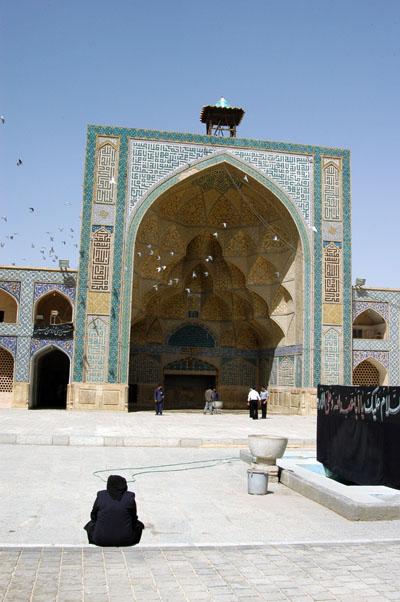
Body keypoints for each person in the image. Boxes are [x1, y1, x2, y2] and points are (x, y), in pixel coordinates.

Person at [84, 475, 144, 547]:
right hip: (126, 540)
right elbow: (133, 517)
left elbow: (93, 516)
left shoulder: (101, 495)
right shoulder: (129, 497)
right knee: (139, 525)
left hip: (100, 540)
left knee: (90, 525)